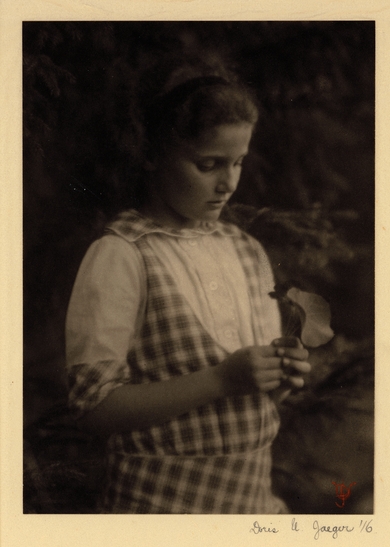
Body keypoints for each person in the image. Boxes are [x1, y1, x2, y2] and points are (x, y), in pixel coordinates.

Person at [65, 53, 311, 514]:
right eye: (209, 165)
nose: (228, 184)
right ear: (154, 156)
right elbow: (95, 409)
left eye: (238, 163)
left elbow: (256, 393)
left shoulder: (245, 250)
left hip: (249, 503)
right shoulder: (122, 254)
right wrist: (221, 378)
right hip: (161, 507)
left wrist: (280, 374)